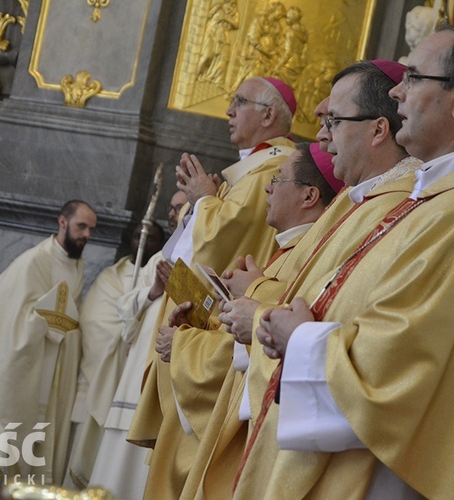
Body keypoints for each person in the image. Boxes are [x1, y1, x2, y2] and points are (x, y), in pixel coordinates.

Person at [238, 26, 454, 499]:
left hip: (388, 474)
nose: (397, 89)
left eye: (413, 76)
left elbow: (399, 365)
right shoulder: (442, 197)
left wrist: (300, 337)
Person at [127, 77, 298, 498]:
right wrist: (204, 201)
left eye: (238, 102)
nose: (228, 111)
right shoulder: (252, 168)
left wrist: (205, 201)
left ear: (268, 114)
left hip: (222, 343)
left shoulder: (275, 168)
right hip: (202, 336)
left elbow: (224, 238)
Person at [162, 142, 342, 499]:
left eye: (279, 179)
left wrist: (183, 344)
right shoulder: (292, 250)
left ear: (309, 196)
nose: (268, 187)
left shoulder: (311, 255)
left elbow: (274, 334)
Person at [0, 200, 97, 486]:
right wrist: (47, 322)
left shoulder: (76, 265)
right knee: (11, 441)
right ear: (62, 222)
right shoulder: (36, 260)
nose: (86, 234)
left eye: (91, 229)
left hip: (57, 368)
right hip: (33, 363)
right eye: (81, 226)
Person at [83, 191, 186, 499]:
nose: (172, 213)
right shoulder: (160, 257)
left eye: (180, 207)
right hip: (134, 376)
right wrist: (153, 290)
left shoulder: (202, 252)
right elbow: (125, 308)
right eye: (171, 207)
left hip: (162, 372)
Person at [63, 221, 165, 489]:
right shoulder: (112, 276)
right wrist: (124, 338)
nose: (142, 242)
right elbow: (95, 321)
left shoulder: (158, 269)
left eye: (151, 238)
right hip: (104, 378)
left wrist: (136, 334)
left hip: (131, 383)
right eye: (137, 236)